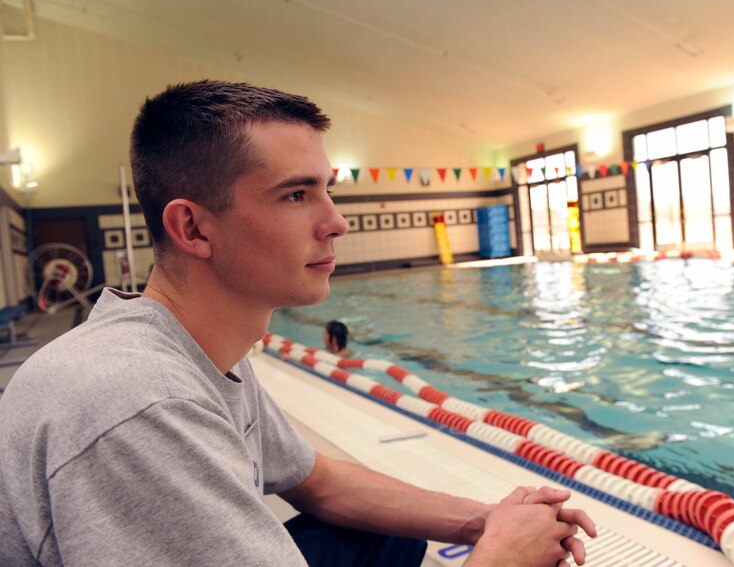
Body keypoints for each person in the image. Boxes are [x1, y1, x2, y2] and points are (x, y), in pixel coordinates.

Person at [0, 80, 596, 567]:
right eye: (296, 196)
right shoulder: (139, 402)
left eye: (327, 190)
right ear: (194, 229)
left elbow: (322, 482)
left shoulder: (200, 352)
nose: (336, 222)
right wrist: (502, 557)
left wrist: (487, 519)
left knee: (386, 534)